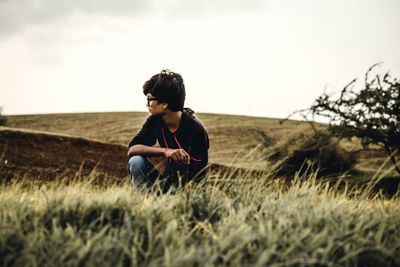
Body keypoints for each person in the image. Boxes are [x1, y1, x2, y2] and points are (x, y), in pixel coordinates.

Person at [127, 69, 209, 193]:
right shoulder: (155, 120)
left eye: (150, 99)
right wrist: (165, 151)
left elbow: (199, 176)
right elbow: (132, 149)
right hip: (165, 184)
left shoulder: (196, 130)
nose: (147, 104)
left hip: (189, 192)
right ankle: (144, 205)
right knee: (136, 161)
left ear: (164, 104)